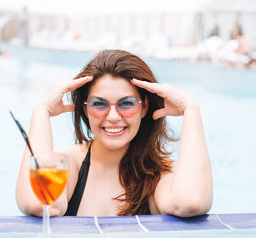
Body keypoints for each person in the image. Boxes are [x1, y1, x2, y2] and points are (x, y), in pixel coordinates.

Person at [16, 50, 213, 217]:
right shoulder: (69, 164)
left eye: (126, 103)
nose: (112, 116)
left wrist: (191, 109)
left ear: (144, 108)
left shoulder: (159, 174)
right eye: (99, 104)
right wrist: (42, 111)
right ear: (85, 110)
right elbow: (39, 203)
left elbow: (191, 202)